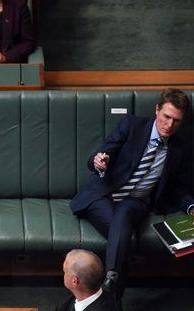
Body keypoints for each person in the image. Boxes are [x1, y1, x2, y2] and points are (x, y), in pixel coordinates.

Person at [70, 88, 194, 302]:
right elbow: (98, 156)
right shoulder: (132, 126)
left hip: (136, 202)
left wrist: (192, 207)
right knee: (121, 236)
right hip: (103, 195)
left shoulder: (179, 149)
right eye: (166, 117)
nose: (169, 125)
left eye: (176, 121)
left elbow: (179, 190)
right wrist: (99, 162)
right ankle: (113, 298)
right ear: (157, 110)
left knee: (124, 220)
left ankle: (109, 288)